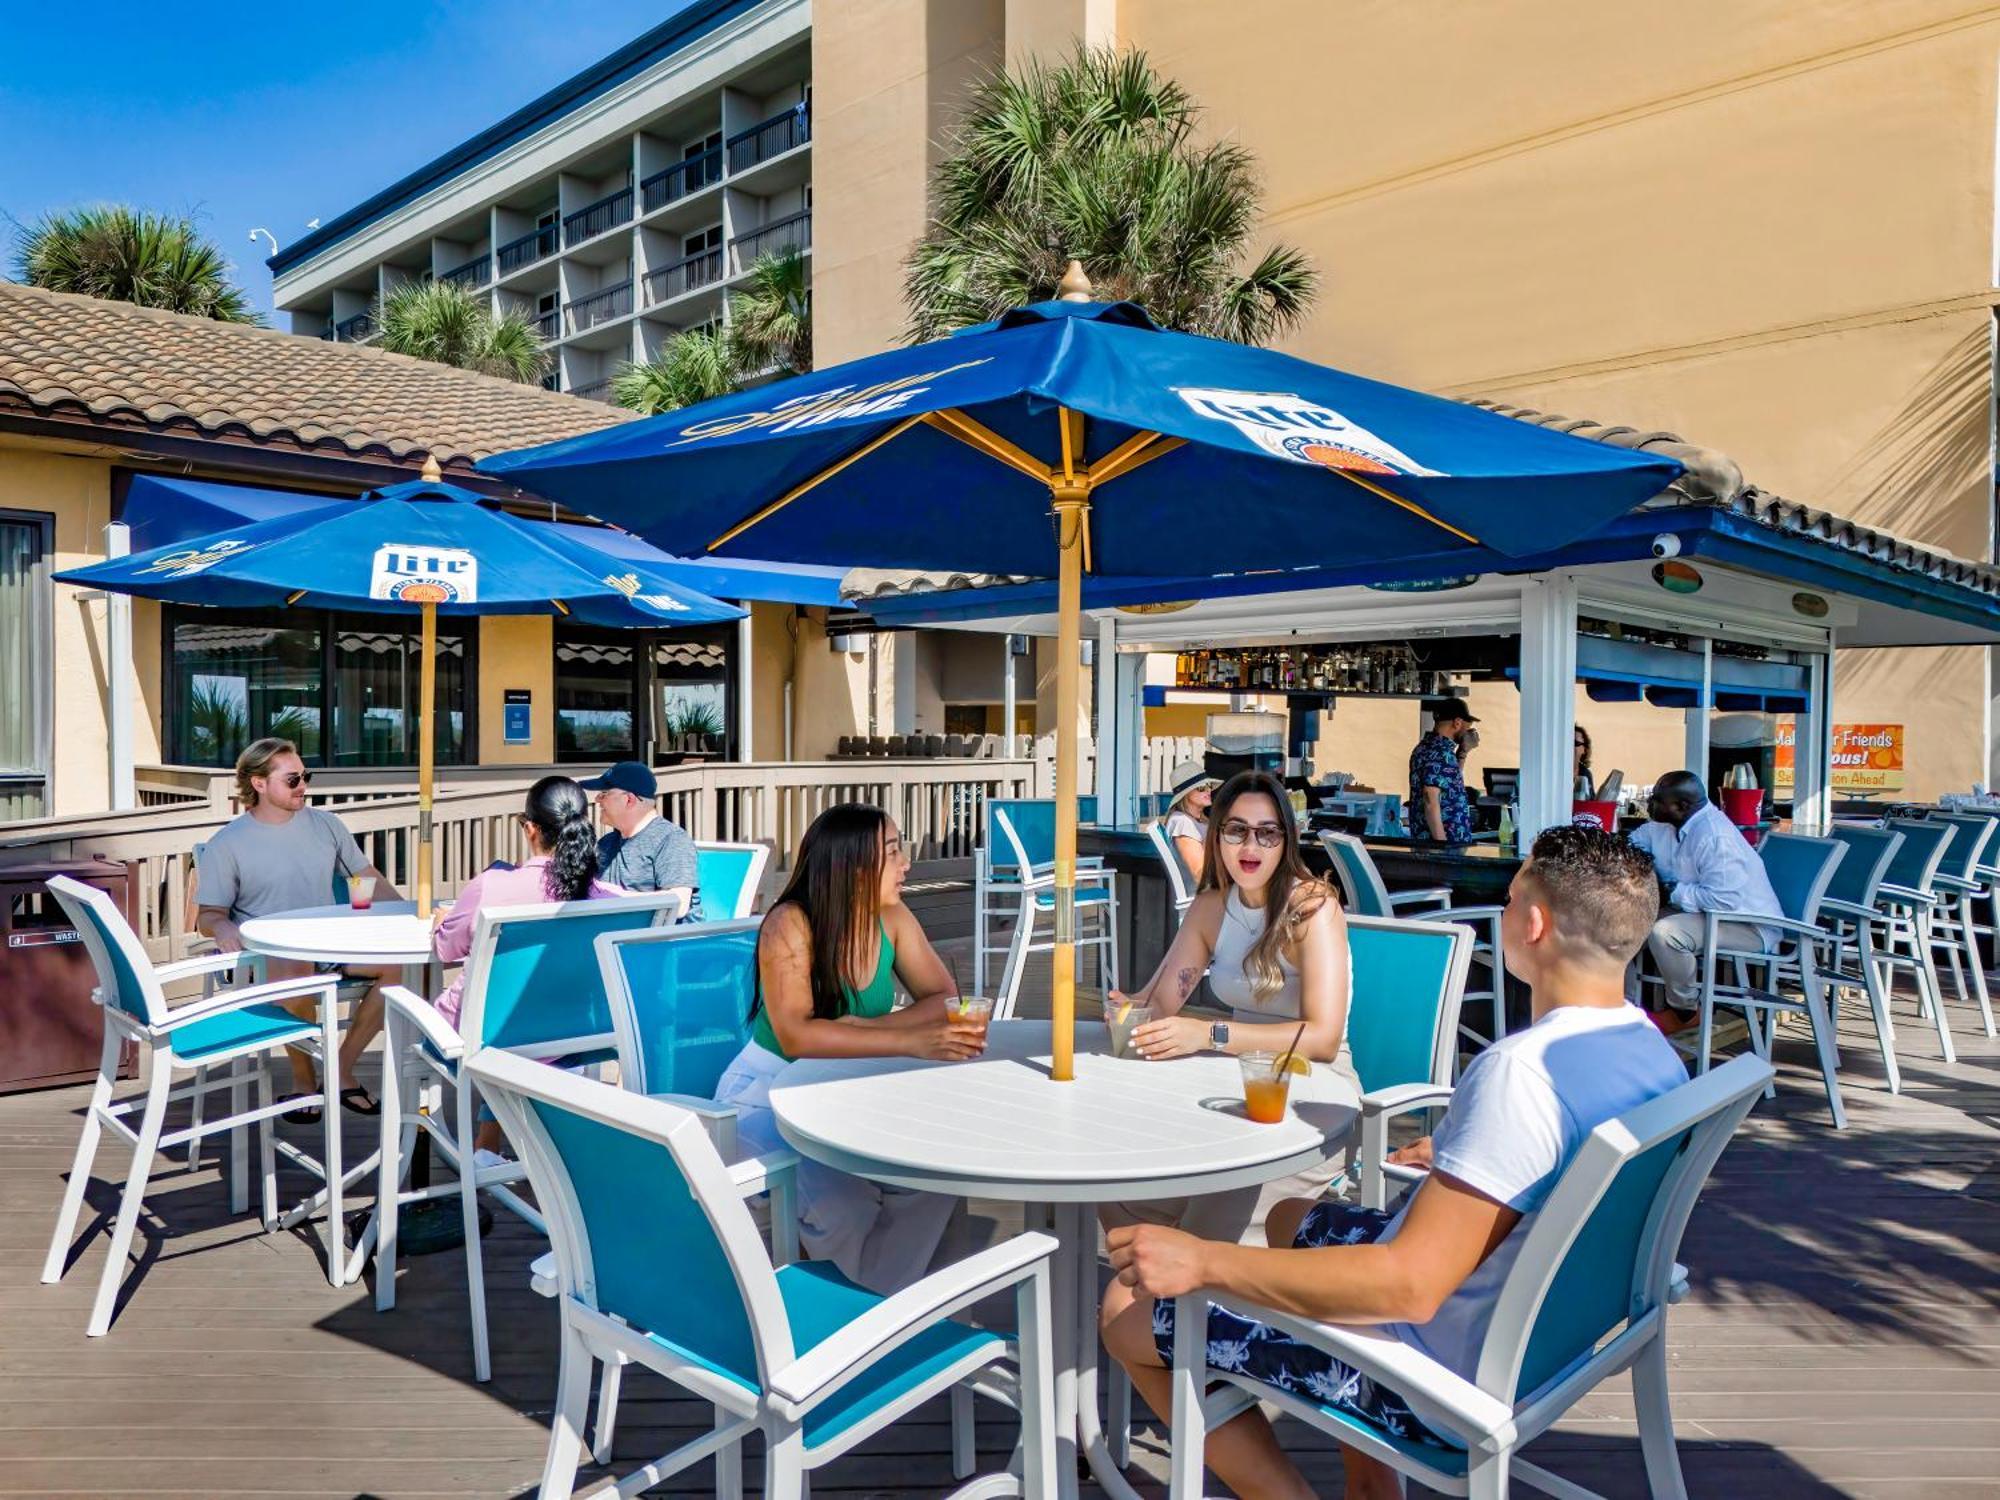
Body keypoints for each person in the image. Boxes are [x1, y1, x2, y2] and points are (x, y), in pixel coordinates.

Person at [1100, 825, 1690, 1500]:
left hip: (1437, 1380)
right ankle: (1373, 1488)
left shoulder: (1520, 1076)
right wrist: (1467, 1151)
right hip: (1549, 1339)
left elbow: (1405, 1287)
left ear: (1532, 924)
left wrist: (1202, 1262)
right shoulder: (1647, 1049)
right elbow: (1563, 1163)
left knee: (1127, 1303)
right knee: (1294, 1216)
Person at [713, 803, 987, 1292]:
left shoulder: (893, 919)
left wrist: (868, 1025)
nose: (906, 863)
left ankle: (878, 1308)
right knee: (842, 1205)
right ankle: (850, 1321)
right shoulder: (791, 923)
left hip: (849, 1090)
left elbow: (944, 998)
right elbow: (797, 1034)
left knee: (935, 1179)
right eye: (893, 851)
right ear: (853, 864)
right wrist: (906, 1040)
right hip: (767, 1095)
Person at [1104, 769, 1356, 1244]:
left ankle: (1194, 1311)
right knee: (1121, 1190)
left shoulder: (1312, 909)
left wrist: (1210, 1034)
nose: (1250, 846)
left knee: (1206, 1223)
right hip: (1231, 1087)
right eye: (1236, 829)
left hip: (1311, 1098)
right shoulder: (1212, 907)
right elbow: (1160, 1005)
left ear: (1287, 839)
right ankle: (1155, 1311)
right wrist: (1129, 1013)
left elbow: (1321, 1040)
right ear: (1216, 833)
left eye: (1267, 833)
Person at [196, 737, 400, 1120]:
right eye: (293, 779)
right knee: (294, 971)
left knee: (403, 967)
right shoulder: (227, 844)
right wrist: (222, 927)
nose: (304, 786)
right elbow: (208, 914)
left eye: (306, 776)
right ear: (259, 783)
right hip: (267, 956)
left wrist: (405, 912)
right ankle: (303, 1082)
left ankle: (340, 1068)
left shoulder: (326, 825)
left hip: (328, 947)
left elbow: (364, 876)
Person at [431, 775, 627, 1161]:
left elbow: (445, 949)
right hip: (576, 1037)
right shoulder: (609, 898)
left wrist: (442, 919)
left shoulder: (492, 886)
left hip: (491, 1038)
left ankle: (421, 1138)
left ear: (531, 828)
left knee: (405, 1007)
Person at [1627, 769, 1782, 1036]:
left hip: (1746, 924)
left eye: (1656, 800)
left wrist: (1671, 892)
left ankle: (1685, 1010)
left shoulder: (1715, 836)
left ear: (1680, 806)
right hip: (1698, 912)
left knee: (1665, 934)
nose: (1649, 804)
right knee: (1618, 922)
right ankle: (1622, 1009)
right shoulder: (1662, 825)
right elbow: (1631, 845)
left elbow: (1723, 901)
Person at [579, 760, 701, 920]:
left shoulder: (671, 839)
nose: (597, 799)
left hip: (670, 942)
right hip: (616, 939)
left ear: (629, 800)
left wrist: (616, 896)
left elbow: (678, 904)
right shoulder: (606, 843)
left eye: (604, 793)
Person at [1408, 696, 1479, 844]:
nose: (1469, 731)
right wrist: (1442, 845)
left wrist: (1462, 753)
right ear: (1457, 722)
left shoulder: (1426, 747)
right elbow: (1430, 798)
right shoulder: (1440, 752)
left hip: (1429, 842)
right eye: (1468, 726)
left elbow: (1449, 784)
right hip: (1442, 845)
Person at [1158, 757, 1220, 883]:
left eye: (1208, 785)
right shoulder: (1182, 822)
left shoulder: (1198, 821)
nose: (1208, 790)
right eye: (1201, 787)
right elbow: (1199, 873)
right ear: (1186, 793)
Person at [1573, 724, 1596, 800]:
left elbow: (1590, 802)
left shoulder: (1586, 774)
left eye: (1575, 743)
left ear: (1584, 749)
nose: (1570, 746)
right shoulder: (1554, 771)